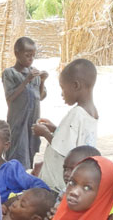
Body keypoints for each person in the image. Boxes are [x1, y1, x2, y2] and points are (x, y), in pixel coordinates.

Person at [33, 58, 98, 192]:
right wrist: (56, 129)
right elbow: (75, 139)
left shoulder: (77, 114)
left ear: (75, 85)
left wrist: (44, 133)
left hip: (57, 185)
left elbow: (63, 148)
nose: (62, 94)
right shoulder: (91, 113)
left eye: (63, 88)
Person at [2, 36, 48, 168]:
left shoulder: (34, 74)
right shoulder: (10, 73)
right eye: (27, 55)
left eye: (33, 56)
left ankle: (25, 179)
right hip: (18, 120)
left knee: (30, 149)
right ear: (17, 54)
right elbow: (10, 98)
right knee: (17, 150)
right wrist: (25, 81)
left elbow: (41, 96)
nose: (31, 59)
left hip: (32, 120)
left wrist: (43, 80)